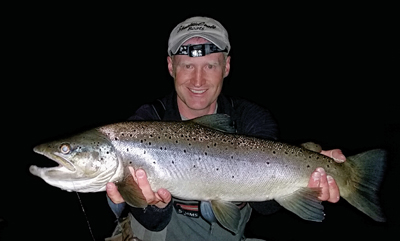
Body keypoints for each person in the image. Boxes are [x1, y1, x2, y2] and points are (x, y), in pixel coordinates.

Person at [105, 16, 346, 241]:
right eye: (187, 66)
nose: (198, 80)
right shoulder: (144, 125)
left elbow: (267, 206)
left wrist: (315, 173)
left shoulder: (251, 118)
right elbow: (152, 223)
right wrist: (154, 205)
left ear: (227, 66)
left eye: (210, 66)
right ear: (171, 67)